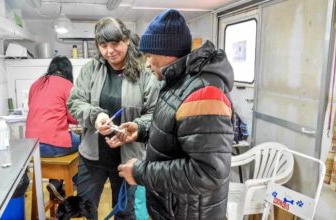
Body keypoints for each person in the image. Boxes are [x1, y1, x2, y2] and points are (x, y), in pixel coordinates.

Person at [111, 9, 235, 219]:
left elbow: (207, 172)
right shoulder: (180, 82)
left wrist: (141, 172)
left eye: (150, 56)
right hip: (174, 209)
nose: (148, 63)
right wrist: (142, 130)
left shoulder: (205, 93)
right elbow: (180, 131)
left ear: (167, 53)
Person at [66, 17, 159, 220]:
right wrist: (95, 115)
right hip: (92, 158)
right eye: (103, 45)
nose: (109, 51)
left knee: (125, 212)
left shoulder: (144, 73)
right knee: (83, 211)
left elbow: (155, 113)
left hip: (128, 158)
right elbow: (75, 102)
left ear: (126, 40)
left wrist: (136, 126)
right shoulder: (91, 69)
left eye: (115, 43)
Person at [26, 56, 80, 201]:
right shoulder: (66, 85)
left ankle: (55, 182)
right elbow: (74, 117)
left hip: (32, 147)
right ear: (68, 71)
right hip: (52, 144)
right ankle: (74, 184)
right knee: (84, 144)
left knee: (64, 140)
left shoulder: (36, 84)